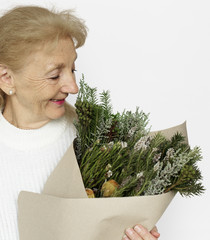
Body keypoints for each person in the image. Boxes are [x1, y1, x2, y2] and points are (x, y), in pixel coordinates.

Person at [0, 5, 160, 240]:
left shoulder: (99, 139)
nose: (73, 87)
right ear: (6, 78)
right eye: (54, 75)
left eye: (73, 69)